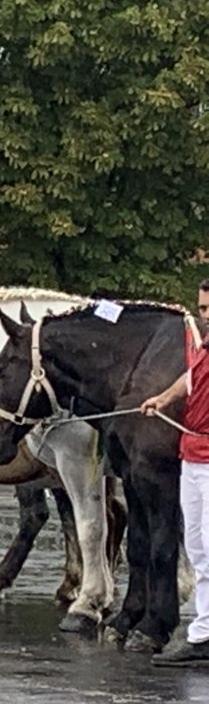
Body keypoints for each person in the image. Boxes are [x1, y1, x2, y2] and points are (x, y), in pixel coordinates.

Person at [144, 277, 209, 666]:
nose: (206, 318)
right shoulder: (201, 348)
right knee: (198, 548)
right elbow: (191, 380)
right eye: (202, 310)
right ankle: (203, 630)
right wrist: (162, 399)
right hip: (193, 455)